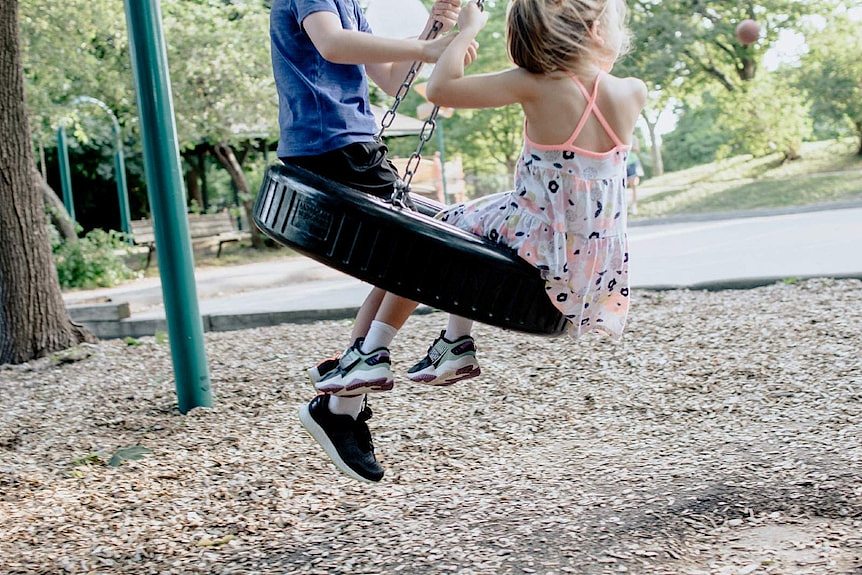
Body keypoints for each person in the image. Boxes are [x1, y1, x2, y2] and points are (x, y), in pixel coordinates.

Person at [305, 0, 647, 483]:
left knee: (440, 235)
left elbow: (439, 89)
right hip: (588, 267)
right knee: (463, 237)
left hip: (536, 235)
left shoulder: (533, 84)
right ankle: (452, 342)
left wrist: (465, 31)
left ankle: (379, 349)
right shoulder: (632, 92)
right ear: (594, 31)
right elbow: (599, 82)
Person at [271, 0, 477, 483]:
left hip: (352, 145)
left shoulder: (351, 5)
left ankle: (343, 405)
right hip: (330, 146)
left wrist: (438, 28)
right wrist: (428, 47)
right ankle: (445, 345)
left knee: (404, 265)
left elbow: (391, 80)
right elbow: (332, 44)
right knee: (428, 249)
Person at [626, 140, 645, 215]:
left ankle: (634, 206)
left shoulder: (634, 138)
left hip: (632, 163)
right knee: (622, 187)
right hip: (621, 163)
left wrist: (628, 146)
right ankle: (625, 206)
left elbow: (637, 149)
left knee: (633, 185)